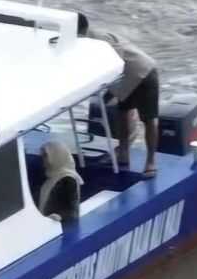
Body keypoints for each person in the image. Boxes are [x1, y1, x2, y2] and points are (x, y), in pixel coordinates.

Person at [77, 12, 160, 177]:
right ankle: (123, 153)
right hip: (123, 79)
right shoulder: (84, 41)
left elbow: (116, 58)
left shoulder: (99, 39)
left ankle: (151, 161)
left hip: (143, 73)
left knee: (149, 120)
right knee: (122, 114)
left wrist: (106, 90)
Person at [37, 141, 83, 225]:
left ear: (56, 156)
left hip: (58, 226)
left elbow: (73, 211)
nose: (43, 159)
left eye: (45, 156)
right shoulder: (51, 175)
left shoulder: (68, 179)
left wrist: (60, 216)